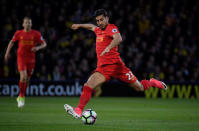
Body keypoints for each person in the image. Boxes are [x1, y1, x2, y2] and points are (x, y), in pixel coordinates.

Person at [64, 9, 167, 118]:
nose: (99, 23)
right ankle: (79, 110)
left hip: (116, 65)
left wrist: (108, 47)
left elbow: (118, 38)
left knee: (140, 87)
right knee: (88, 85)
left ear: (107, 18)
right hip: (105, 68)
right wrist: (79, 25)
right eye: (97, 20)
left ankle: (152, 82)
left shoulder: (111, 27)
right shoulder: (98, 30)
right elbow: (91, 26)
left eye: (101, 20)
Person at [4, 17, 47, 107]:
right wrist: (7, 53)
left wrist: (37, 48)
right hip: (21, 58)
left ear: (31, 24)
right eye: (26, 22)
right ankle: (21, 96)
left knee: (27, 79)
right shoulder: (18, 33)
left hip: (31, 59)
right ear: (23, 24)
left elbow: (44, 44)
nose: (27, 24)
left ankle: (21, 95)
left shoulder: (36, 34)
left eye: (29, 23)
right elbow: (12, 42)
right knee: (23, 77)